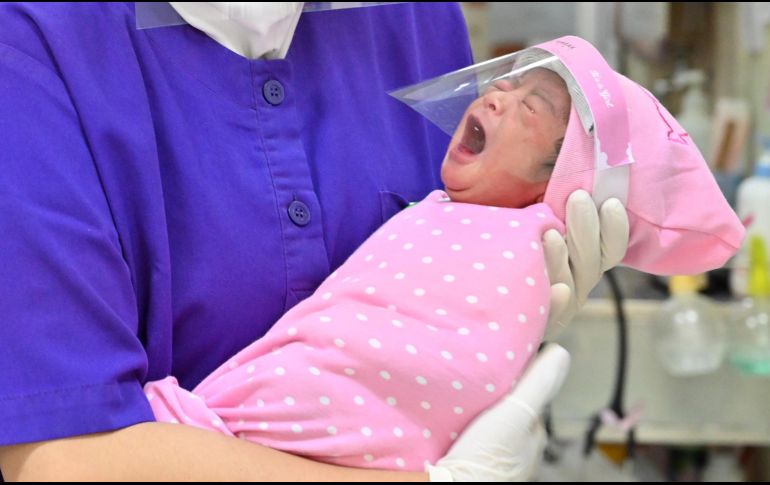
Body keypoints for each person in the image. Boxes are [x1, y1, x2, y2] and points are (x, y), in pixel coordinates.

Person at [0, 4, 629, 481]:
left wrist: (498, 310)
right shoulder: (37, 41)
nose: (499, 98)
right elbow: (62, 458)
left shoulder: (409, 16)